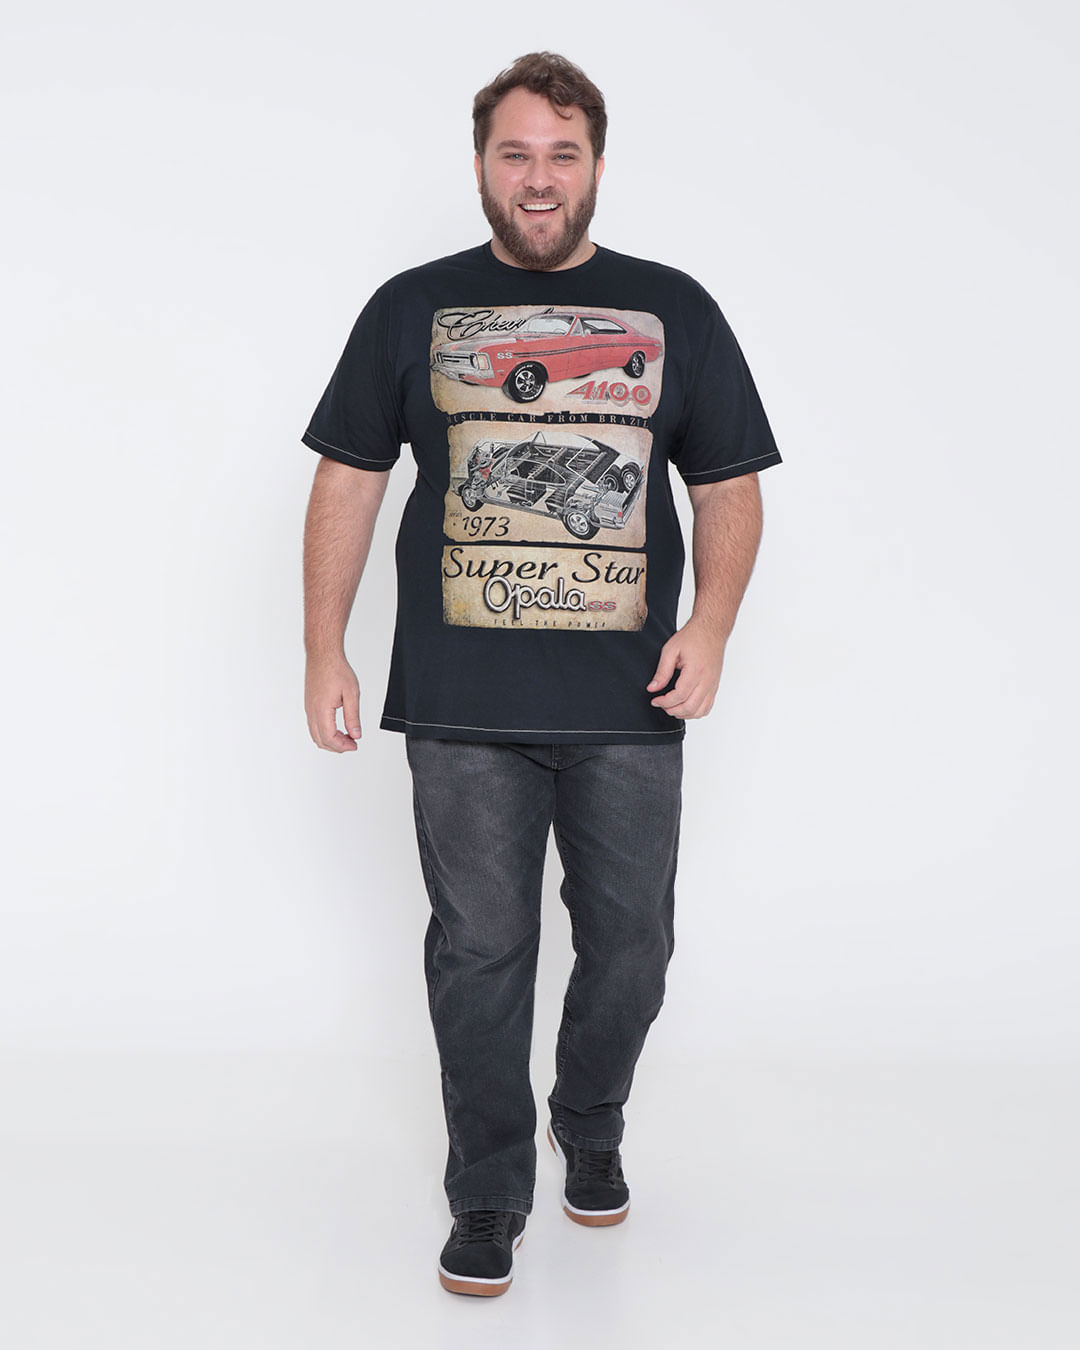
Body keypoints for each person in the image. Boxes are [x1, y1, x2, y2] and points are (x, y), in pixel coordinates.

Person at [301, 51, 781, 1298]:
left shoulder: (671, 309)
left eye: (562, 154)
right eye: (515, 152)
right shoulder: (413, 308)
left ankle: (589, 1114)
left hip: (631, 697)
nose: (538, 177)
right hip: (461, 701)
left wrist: (713, 627)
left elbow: (727, 481)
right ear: (481, 165)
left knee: (635, 945)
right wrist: (323, 646)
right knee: (480, 950)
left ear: (596, 166)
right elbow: (350, 474)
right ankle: (488, 1189)